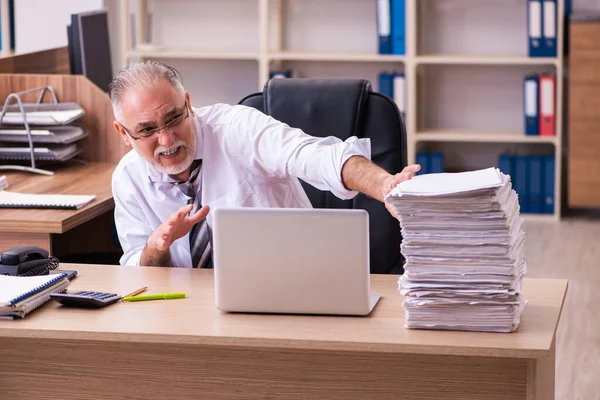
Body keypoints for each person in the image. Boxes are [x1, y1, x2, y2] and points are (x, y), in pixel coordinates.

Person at [110, 61, 420, 268]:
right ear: (124, 133)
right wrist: (157, 247)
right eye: (147, 130)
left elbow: (314, 155)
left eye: (174, 118)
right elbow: (140, 272)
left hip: (298, 284)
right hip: (192, 314)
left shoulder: (236, 128)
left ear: (188, 104)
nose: (167, 140)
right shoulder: (128, 178)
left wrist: (383, 185)